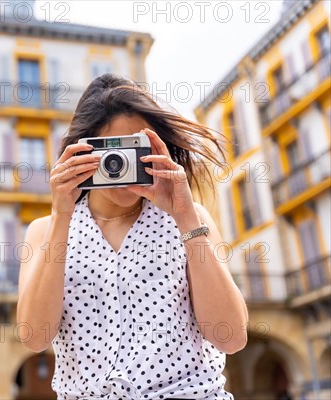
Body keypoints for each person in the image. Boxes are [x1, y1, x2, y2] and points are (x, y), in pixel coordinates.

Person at [16, 74, 248, 399]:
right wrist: (62, 216)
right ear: (82, 152)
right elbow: (34, 337)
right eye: (112, 154)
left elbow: (231, 337)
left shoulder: (190, 219)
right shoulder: (46, 230)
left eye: (136, 151)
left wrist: (185, 216)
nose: (123, 166)